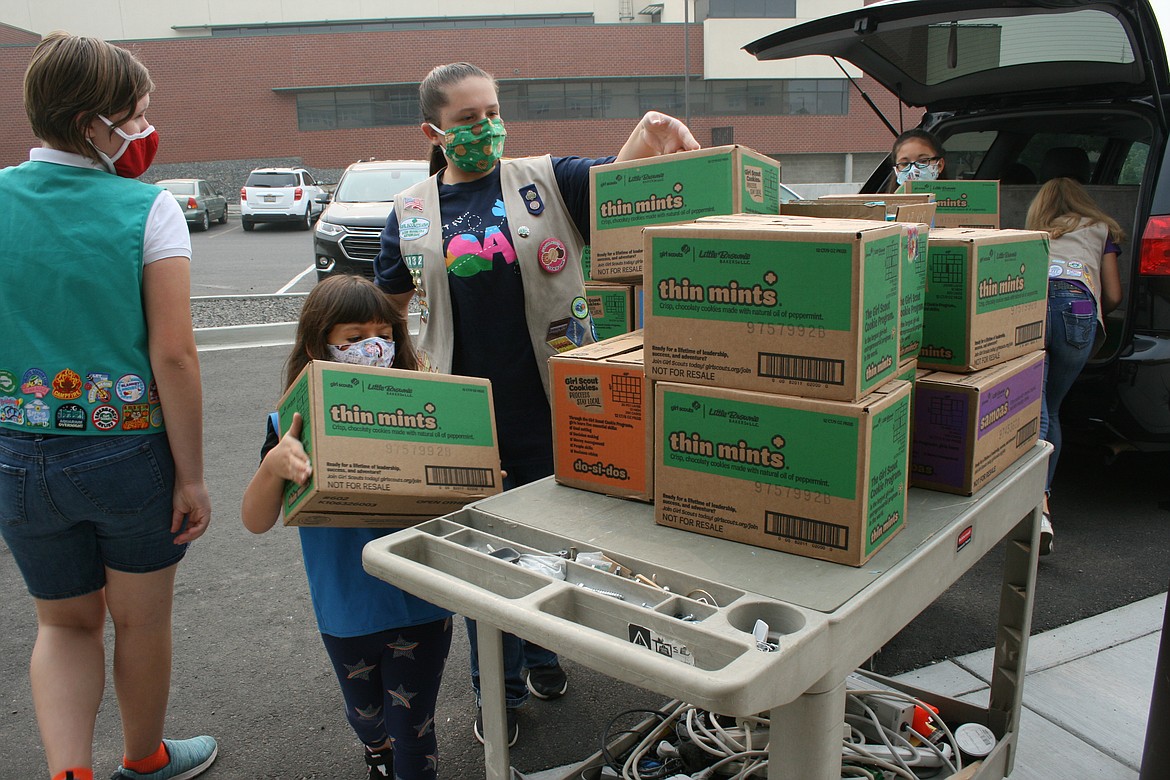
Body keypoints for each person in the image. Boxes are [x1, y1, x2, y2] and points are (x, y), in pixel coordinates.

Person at [372, 61, 699, 746]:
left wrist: (649, 132)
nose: (485, 128)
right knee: (481, 560)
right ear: (433, 130)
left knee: (556, 544)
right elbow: (390, 311)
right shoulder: (408, 211)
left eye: (492, 112)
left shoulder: (547, 181)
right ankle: (500, 688)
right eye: (467, 120)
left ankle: (544, 651)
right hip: (463, 423)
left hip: (554, 408)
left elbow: (618, 181)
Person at [0, 32, 215, 780]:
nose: (146, 130)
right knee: (140, 620)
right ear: (97, 123)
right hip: (126, 453)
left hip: (15, 451)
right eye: (138, 115)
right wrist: (191, 476)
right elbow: (175, 355)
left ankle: (69, 774)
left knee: (62, 623)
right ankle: (146, 759)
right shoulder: (147, 209)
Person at [241, 274, 453, 780]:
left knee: (414, 730)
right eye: (354, 338)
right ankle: (375, 748)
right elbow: (254, 520)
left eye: (383, 334)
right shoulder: (290, 425)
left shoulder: (428, 404)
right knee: (367, 715)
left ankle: (399, 760)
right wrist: (274, 465)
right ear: (319, 343)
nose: (373, 347)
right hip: (346, 607)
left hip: (420, 602)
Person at [1025, 177, 1125, 556]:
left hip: (1034, 307)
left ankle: (1038, 508)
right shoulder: (1102, 230)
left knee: (1035, 412)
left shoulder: (1032, 232)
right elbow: (1114, 295)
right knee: (1051, 409)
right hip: (1078, 311)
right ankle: (1042, 503)